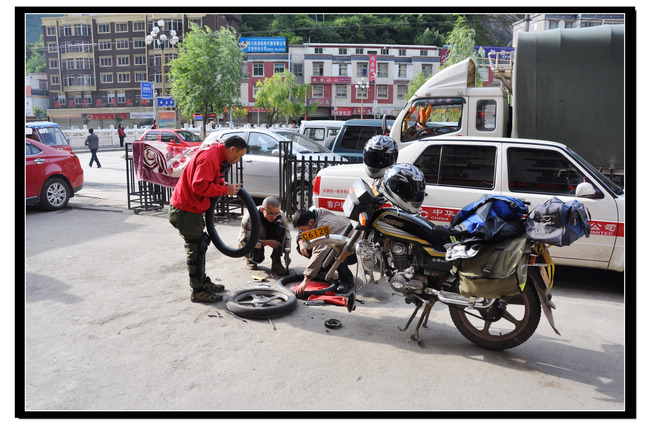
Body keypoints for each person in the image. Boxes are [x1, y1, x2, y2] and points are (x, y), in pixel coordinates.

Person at [168, 135, 248, 303]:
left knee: (200, 244)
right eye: (238, 155)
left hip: (191, 208)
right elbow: (199, 185)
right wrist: (225, 191)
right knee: (196, 247)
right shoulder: (211, 157)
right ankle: (197, 291)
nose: (238, 159)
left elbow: (214, 180)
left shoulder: (218, 157)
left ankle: (202, 282)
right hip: (185, 209)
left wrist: (224, 186)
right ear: (232, 149)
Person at [292, 208, 356, 298]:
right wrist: (301, 243)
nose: (302, 231)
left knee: (336, 252)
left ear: (311, 222)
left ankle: (347, 281)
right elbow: (301, 234)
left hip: (352, 251)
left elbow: (320, 251)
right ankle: (324, 270)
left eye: (303, 229)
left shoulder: (326, 225)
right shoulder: (313, 215)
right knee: (303, 247)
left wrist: (306, 279)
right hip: (334, 243)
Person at [239, 196, 292, 275]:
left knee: (281, 230)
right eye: (271, 213)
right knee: (258, 258)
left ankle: (276, 262)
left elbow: (287, 235)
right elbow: (244, 241)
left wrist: (287, 253)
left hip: (270, 234)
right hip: (255, 238)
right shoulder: (250, 218)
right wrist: (265, 242)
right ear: (263, 210)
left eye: (276, 213)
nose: (274, 216)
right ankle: (249, 259)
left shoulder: (281, 215)